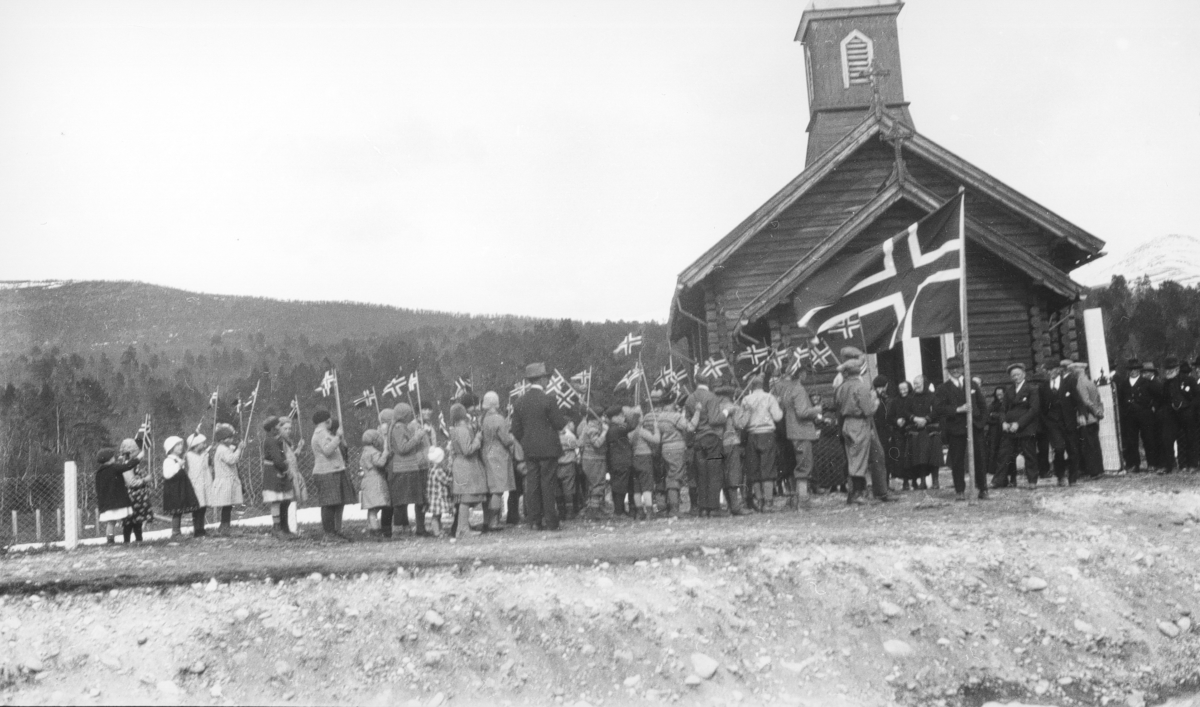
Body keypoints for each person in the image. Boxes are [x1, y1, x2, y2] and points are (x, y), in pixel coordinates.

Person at [510, 363, 569, 531]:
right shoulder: (549, 399)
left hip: (530, 449)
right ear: (542, 379)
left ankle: (534, 521)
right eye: (546, 378)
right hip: (549, 449)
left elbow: (515, 430)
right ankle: (551, 521)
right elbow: (559, 424)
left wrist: (527, 440)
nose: (548, 381)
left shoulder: (519, 401)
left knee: (533, 484)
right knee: (548, 484)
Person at [833, 348, 892, 504]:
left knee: (859, 456)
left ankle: (863, 492)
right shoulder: (861, 387)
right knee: (858, 459)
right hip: (860, 423)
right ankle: (858, 493)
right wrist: (876, 402)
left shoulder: (841, 387)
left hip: (847, 423)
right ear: (858, 371)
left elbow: (838, 404)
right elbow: (867, 410)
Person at [934, 357, 986, 501]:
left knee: (979, 459)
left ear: (963, 369)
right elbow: (939, 409)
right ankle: (960, 491)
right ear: (948, 371)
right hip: (956, 429)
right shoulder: (943, 388)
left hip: (974, 427)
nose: (955, 370)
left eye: (958, 367)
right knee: (957, 461)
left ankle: (983, 489)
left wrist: (980, 423)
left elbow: (982, 405)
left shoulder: (972, 385)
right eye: (952, 368)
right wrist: (958, 409)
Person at [643, 391, 698, 518]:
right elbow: (690, 427)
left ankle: (665, 507)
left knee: (668, 476)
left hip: (664, 448)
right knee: (675, 476)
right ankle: (674, 508)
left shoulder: (660, 417)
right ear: (673, 402)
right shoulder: (675, 416)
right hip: (676, 448)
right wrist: (698, 412)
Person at [991, 362, 1041, 488]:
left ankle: (1032, 481)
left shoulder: (1031, 389)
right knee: (1004, 454)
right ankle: (999, 480)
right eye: (1013, 375)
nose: (1016, 377)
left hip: (1025, 427)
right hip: (1009, 428)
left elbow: (1034, 410)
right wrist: (1003, 422)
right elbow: (1003, 409)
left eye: (1018, 374)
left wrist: (1019, 424)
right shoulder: (1009, 391)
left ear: (1024, 375)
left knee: (1029, 454)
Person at [780, 365, 822, 504]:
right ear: (800, 374)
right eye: (804, 372)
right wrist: (816, 410)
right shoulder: (799, 389)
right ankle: (803, 498)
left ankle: (795, 497)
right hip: (802, 431)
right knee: (804, 465)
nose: (806, 375)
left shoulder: (787, 389)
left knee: (797, 465)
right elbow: (803, 412)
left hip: (792, 431)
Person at [741, 375, 784, 512]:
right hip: (767, 434)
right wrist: (779, 405)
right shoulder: (769, 398)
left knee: (754, 470)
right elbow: (777, 416)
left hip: (752, 435)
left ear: (751, 387)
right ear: (762, 385)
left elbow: (742, 422)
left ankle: (759, 501)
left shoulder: (746, 400)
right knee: (768, 468)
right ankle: (769, 502)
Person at [311, 410, 355, 541]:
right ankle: (329, 533)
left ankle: (334, 532)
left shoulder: (323, 433)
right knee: (329, 504)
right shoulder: (321, 434)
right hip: (326, 472)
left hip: (332, 471)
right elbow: (327, 450)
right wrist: (337, 437)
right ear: (327, 421)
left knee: (334, 502)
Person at [389, 403, 430, 536]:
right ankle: (400, 528)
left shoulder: (400, 427)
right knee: (402, 500)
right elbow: (402, 448)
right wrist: (417, 437)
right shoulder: (398, 428)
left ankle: (405, 527)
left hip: (408, 467)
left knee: (405, 499)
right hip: (403, 468)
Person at [448, 402, 487, 538]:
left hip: (460, 464)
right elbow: (467, 450)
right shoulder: (462, 430)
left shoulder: (455, 429)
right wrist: (477, 439)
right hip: (466, 465)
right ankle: (463, 529)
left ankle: (462, 527)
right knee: (466, 498)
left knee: (465, 498)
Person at [480, 391, 517, 531]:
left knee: (490, 489)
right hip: (498, 455)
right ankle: (494, 522)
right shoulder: (498, 419)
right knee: (498, 489)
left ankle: (487, 520)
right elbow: (506, 440)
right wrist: (512, 437)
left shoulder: (483, 418)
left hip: (486, 452)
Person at [1042, 360, 1082, 486]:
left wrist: (1081, 414)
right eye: (1046, 371)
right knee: (1058, 449)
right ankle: (1060, 475)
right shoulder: (1043, 386)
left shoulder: (1069, 382)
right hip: (1053, 424)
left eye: (1051, 370)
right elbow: (1042, 408)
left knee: (1072, 450)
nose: (1049, 373)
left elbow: (1078, 400)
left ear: (1058, 370)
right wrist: (1046, 422)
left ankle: (1073, 478)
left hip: (1068, 421)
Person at [96, 447, 142, 545]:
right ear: (109, 459)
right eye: (113, 457)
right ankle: (134, 537)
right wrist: (138, 459)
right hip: (117, 501)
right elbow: (127, 467)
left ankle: (110, 540)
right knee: (127, 517)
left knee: (111, 522)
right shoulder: (113, 467)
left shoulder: (99, 472)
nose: (114, 458)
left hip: (106, 502)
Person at [903, 375, 942, 490]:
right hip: (917, 430)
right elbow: (905, 411)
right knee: (920, 457)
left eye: (918, 384)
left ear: (924, 384)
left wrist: (926, 419)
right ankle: (923, 481)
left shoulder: (933, 396)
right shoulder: (911, 397)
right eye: (914, 384)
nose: (915, 386)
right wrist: (914, 418)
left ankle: (936, 481)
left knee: (934, 456)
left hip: (931, 429)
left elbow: (937, 410)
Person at [260, 417, 297, 538]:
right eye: (277, 427)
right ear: (272, 429)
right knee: (276, 501)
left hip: (278, 472)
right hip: (274, 472)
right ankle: (277, 528)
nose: (279, 429)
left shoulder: (275, 440)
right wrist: (285, 469)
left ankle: (284, 528)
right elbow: (277, 460)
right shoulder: (271, 441)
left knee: (284, 501)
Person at [1158, 356, 1195, 474]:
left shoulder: (1189, 380)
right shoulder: (1165, 384)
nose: (1168, 371)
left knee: (1190, 439)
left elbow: (1196, 397)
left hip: (1187, 413)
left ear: (1178, 369)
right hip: (1171, 415)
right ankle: (1168, 466)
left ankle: (1192, 465)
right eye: (1166, 369)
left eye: (1171, 368)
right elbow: (1163, 400)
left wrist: (1190, 409)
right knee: (1166, 439)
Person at [1070, 361, 1106, 480]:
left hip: (1087, 418)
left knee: (1088, 446)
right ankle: (1099, 470)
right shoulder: (1090, 382)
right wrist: (1099, 411)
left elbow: (1085, 401)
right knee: (1095, 444)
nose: (1072, 373)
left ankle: (1093, 471)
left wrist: (1095, 411)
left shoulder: (1080, 383)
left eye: (1073, 371)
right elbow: (1098, 399)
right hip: (1094, 419)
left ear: (1077, 372)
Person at [714, 385, 746, 516]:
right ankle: (735, 506)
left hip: (718, 444)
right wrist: (747, 412)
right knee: (733, 474)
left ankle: (727, 505)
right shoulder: (735, 408)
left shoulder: (714, 409)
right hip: (732, 442)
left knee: (722, 474)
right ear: (730, 396)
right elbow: (740, 424)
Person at [161, 435, 200, 538]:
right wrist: (178, 465)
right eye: (177, 445)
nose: (180, 447)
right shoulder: (168, 461)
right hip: (174, 489)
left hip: (181, 488)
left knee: (181, 509)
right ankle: (175, 532)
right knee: (176, 511)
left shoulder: (179, 459)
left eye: (181, 445)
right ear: (170, 448)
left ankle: (196, 529)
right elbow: (167, 474)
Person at [209, 423, 243, 535]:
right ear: (223, 439)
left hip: (227, 480)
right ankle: (225, 527)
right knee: (227, 506)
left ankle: (224, 526)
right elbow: (231, 460)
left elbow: (230, 454)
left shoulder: (223, 448)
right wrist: (239, 449)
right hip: (225, 481)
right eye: (229, 437)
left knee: (227, 506)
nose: (232, 439)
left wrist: (236, 449)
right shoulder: (223, 450)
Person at [359, 429, 393, 537]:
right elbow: (380, 463)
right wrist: (385, 454)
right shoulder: (373, 452)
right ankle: (376, 530)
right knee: (376, 507)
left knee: (371, 508)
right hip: (375, 481)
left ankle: (372, 528)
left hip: (367, 481)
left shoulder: (364, 452)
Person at [119, 437, 154, 541]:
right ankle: (127, 541)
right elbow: (131, 483)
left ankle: (139, 540)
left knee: (137, 521)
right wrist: (145, 480)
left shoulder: (134, 465)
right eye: (135, 451)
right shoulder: (126, 466)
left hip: (138, 496)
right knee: (129, 522)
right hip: (132, 497)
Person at [628, 408, 660, 520]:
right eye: (641, 415)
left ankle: (639, 512)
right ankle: (649, 512)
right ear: (639, 420)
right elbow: (656, 439)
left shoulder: (630, 434)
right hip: (645, 459)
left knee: (637, 488)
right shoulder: (642, 431)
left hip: (635, 459)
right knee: (647, 487)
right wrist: (656, 428)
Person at [577, 411, 609, 518]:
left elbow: (580, 443)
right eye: (602, 416)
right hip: (595, 459)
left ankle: (591, 509)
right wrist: (604, 432)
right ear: (597, 417)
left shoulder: (586, 427)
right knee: (597, 484)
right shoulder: (593, 428)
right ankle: (594, 513)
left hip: (587, 459)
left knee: (591, 485)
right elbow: (597, 443)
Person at [605, 406, 635, 518]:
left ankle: (619, 510)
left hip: (614, 461)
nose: (623, 418)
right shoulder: (618, 427)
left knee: (617, 485)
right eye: (621, 416)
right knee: (621, 487)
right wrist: (636, 413)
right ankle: (619, 512)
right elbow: (631, 426)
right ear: (615, 417)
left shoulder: (610, 427)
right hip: (621, 460)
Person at [184, 434, 213, 537]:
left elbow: (209, 466)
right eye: (202, 443)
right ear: (195, 444)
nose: (205, 445)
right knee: (197, 507)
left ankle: (202, 528)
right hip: (195, 484)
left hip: (205, 483)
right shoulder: (188, 456)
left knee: (203, 507)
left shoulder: (206, 454)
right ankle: (197, 530)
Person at [984, 386, 1012, 487]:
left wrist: (995, 415)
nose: (999, 397)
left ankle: (1009, 479)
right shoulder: (993, 405)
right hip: (995, 434)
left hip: (1006, 432)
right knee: (996, 455)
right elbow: (987, 417)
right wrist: (998, 417)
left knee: (1006, 455)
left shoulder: (1008, 403)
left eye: (1001, 394)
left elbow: (1007, 416)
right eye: (997, 395)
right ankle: (1002, 480)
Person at [890, 381, 914, 490]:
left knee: (913, 456)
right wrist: (897, 421)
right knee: (903, 457)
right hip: (899, 432)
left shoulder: (914, 398)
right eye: (901, 389)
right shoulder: (895, 401)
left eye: (905, 389)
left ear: (909, 388)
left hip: (912, 430)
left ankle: (915, 480)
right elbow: (890, 417)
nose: (903, 391)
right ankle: (905, 481)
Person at [425, 446, 453, 536]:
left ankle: (439, 530)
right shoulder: (439, 471)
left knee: (437, 515)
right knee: (436, 516)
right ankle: (437, 532)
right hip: (438, 497)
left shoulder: (431, 470)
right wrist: (452, 477)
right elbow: (446, 481)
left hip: (433, 496)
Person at [557, 422, 581, 519]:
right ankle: (570, 512)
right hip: (569, 465)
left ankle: (561, 512)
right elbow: (577, 449)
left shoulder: (553, 440)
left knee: (557, 488)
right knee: (569, 488)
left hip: (556, 465)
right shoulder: (570, 438)